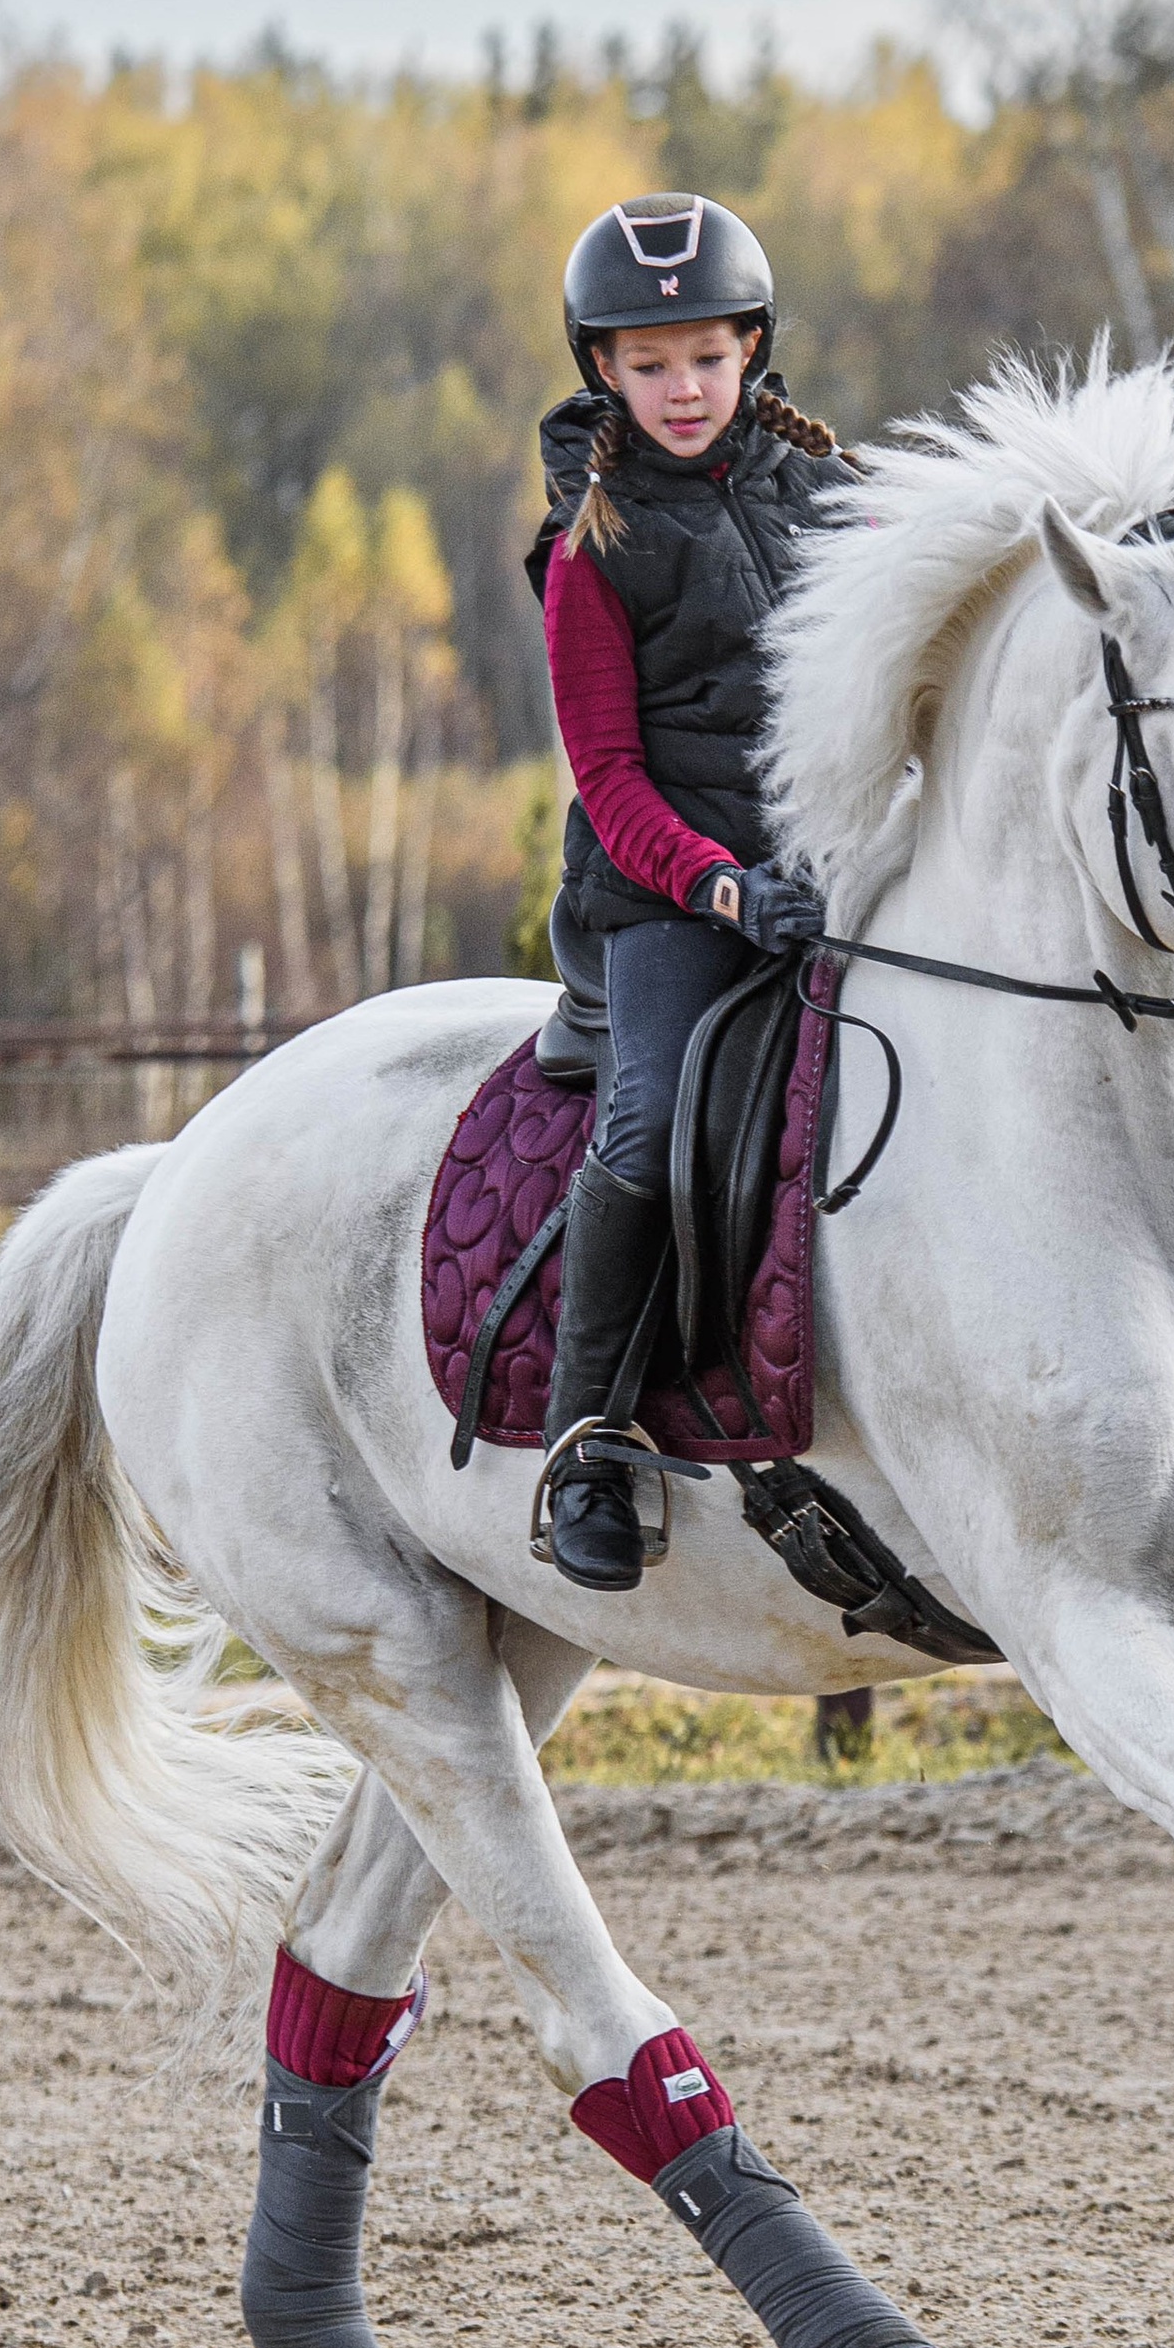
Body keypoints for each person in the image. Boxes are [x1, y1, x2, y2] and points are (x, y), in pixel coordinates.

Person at [525, 192, 834, 1589]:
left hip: (832, 871)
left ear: (754, 347)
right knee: (645, 1125)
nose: (684, 389)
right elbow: (608, 779)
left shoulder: (837, 494)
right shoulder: (592, 547)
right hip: (664, 901)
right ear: (605, 369)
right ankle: (585, 1439)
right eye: (650, 365)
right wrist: (721, 891)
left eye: (707, 356)